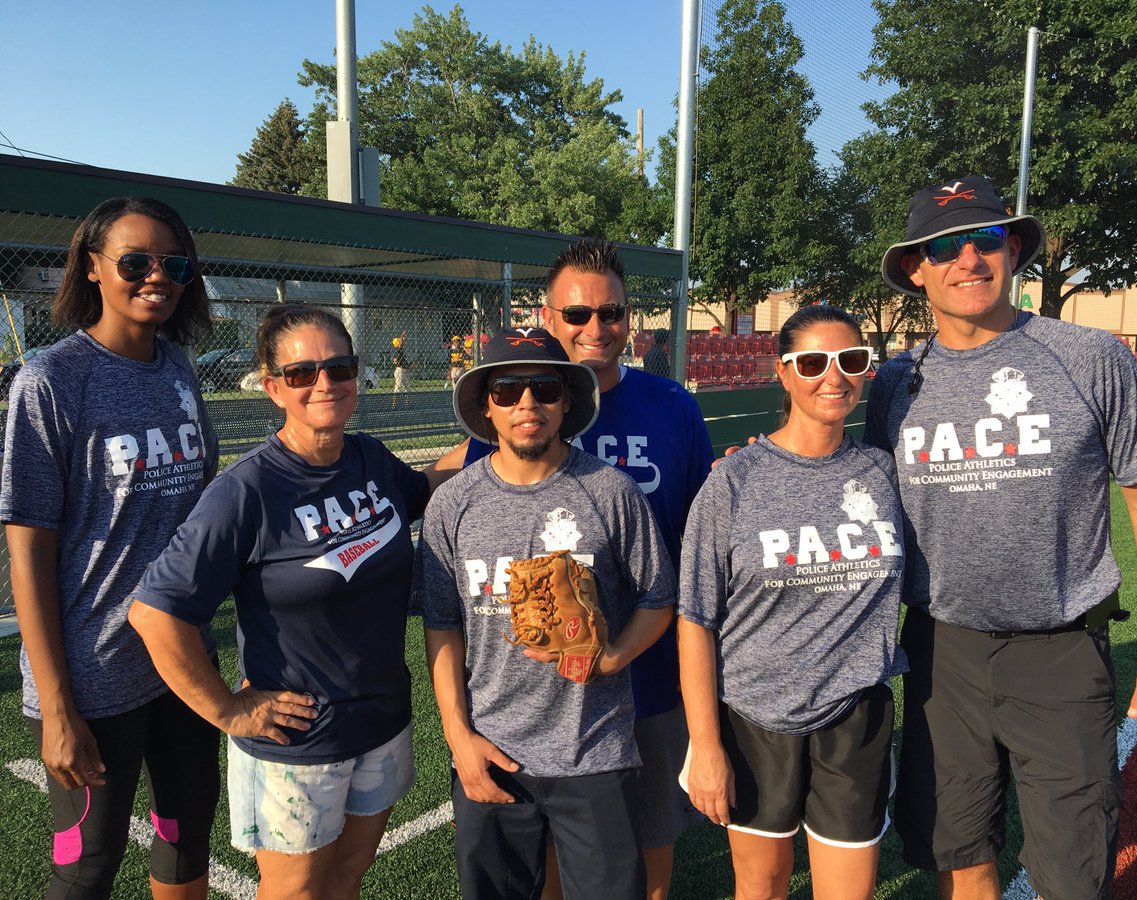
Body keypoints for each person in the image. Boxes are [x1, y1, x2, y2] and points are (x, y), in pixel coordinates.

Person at [866, 175, 1137, 899]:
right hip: (940, 652)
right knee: (962, 856)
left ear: (1012, 249)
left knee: (1073, 874)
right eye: (944, 247)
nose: (967, 260)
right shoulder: (896, 382)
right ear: (917, 269)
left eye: (984, 239)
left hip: (1061, 652)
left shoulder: (1090, 357)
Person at [128, 305, 456, 900]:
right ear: (274, 387)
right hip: (297, 742)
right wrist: (228, 710)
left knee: (347, 879)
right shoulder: (245, 491)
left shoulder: (369, 459)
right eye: (302, 373)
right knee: (296, 892)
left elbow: (425, 488)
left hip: (381, 721)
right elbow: (154, 613)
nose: (324, 383)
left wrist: (499, 431)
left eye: (339, 367)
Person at [452, 238, 713, 899]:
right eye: (576, 315)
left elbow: (700, 529)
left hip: (646, 676)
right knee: (543, 864)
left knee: (644, 861)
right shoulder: (520, 404)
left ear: (630, 319)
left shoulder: (672, 406)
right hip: (535, 688)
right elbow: (461, 484)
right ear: (547, 316)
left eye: (612, 314)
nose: (596, 329)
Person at [1, 197, 220, 899]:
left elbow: (203, 512)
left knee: (186, 836)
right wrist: (58, 705)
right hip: (95, 673)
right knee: (87, 864)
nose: (156, 275)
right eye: (135, 261)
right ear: (92, 267)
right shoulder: (52, 381)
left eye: (173, 263)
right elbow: (28, 550)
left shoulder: (179, 369)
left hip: (181, 660)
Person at [418, 327, 677, 900]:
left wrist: (612, 658)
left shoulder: (610, 491)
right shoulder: (453, 503)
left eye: (544, 387)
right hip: (492, 749)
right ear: (486, 406)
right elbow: (442, 628)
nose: (527, 403)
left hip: (594, 748)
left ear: (567, 400)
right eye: (507, 390)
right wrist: (459, 739)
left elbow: (659, 600)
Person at [678, 305, 905, 900]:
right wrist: (705, 746)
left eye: (851, 361)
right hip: (755, 717)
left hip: (855, 713)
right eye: (812, 363)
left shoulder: (886, 474)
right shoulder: (733, 481)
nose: (834, 377)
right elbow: (695, 620)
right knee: (761, 887)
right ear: (783, 372)